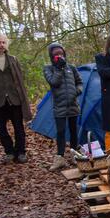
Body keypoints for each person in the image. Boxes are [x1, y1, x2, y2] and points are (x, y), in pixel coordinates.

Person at [43, 43, 83, 171]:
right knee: (60, 132)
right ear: (51, 56)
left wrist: (76, 92)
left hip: (73, 105)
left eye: (61, 54)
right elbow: (54, 82)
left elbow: (80, 82)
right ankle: (59, 158)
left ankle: (74, 156)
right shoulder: (48, 69)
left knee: (73, 131)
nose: (59, 56)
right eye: (56, 54)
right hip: (59, 106)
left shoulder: (71, 68)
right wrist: (59, 69)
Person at [0, 32, 32, 164]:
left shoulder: (13, 59)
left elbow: (20, 80)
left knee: (19, 127)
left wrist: (23, 99)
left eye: (3, 42)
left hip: (14, 99)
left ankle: (21, 152)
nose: (1, 45)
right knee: (1, 129)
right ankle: (9, 152)